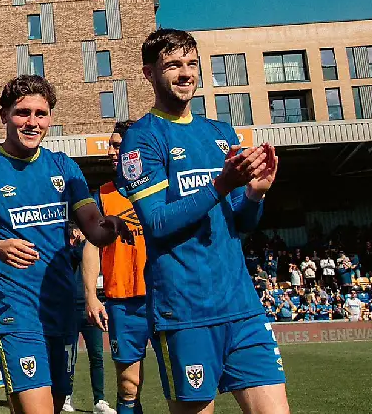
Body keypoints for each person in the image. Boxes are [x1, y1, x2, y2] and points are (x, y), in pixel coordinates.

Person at [115, 29, 286, 413]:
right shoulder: (142, 139)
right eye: (173, 65)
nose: (186, 73)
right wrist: (221, 184)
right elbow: (157, 222)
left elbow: (241, 224)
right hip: (185, 310)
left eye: (191, 64)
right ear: (149, 73)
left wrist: (256, 193)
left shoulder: (221, 133)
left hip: (241, 305)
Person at [0, 75, 132, 414]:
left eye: (41, 113)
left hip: (61, 309)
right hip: (15, 311)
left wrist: (116, 226)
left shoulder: (63, 167)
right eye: (23, 113)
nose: (32, 122)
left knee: (47, 403)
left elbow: (94, 228)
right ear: (4, 114)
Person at [83, 119, 145, 414]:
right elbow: (92, 246)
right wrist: (92, 297)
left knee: (184, 382)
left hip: (166, 298)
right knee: (128, 384)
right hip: (122, 301)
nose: (110, 151)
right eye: (110, 145)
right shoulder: (104, 195)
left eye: (117, 145)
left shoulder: (163, 187)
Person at [65, 227, 110, 414]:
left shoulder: (90, 246)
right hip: (70, 310)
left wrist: (86, 239)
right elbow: (77, 254)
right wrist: (84, 240)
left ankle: (99, 400)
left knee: (97, 356)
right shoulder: (69, 249)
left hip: (90, 308)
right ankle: (66, 395)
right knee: (69, 357)